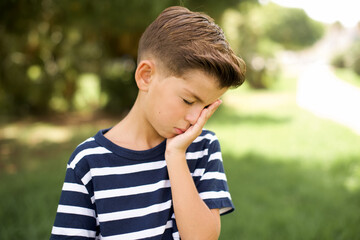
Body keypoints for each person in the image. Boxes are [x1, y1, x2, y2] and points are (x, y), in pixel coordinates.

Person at [50, 6, 246, 240]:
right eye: (188, 100)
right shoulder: (89, 162)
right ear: (146, 76)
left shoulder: (203, 147)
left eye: (205, 107)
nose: (196, 119)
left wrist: (175, 156)